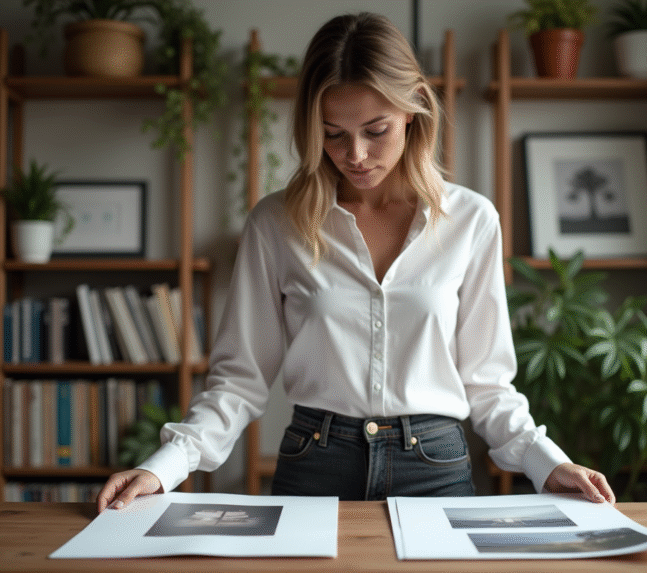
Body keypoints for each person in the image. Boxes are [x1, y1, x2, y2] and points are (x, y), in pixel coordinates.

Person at [97, 12, 615, 513]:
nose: (356, 154)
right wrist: (163, 467)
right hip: (313, 462)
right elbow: (238, 380)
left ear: (413, 108)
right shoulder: (275, 223)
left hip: (434, 467)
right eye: (334, 133)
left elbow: (487, 384)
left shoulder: (471, 220)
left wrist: (549, 464)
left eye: (376, 129)